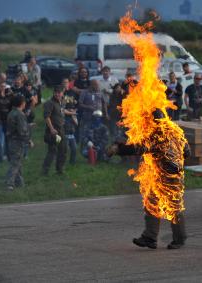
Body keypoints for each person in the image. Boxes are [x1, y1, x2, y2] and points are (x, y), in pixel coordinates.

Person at [107, 109, 190, 249]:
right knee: (151, 203)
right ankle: (150, 237)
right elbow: (187, 152)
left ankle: (179, 239)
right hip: (162, 174)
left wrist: (118, 149)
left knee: (174, 208)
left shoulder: (157, 135)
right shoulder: (176, 131)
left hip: (170, 176)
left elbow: (138, 148)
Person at [5, 95, 30, 190]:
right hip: (17, 142)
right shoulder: (20, 114)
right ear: (22, 103)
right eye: (24, 102)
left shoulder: (11, 113)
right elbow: (22, 130)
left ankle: (20, 183)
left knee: (17, 163)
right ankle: (9, 184)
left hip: (11, 140)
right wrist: (28, 140)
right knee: (15, 163)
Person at [42, 86, 66, 175]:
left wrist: (71, 112)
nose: (57, 94)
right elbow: (47, 117)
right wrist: (51, 128)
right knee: (52, 151)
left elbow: (62, 112)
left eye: (59, 92)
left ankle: (59, 170)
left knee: (62, 150)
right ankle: (45, 171)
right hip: (53, 131)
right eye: (55, 92)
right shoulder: (50, 103)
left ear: (62, 93)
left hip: (61, 130)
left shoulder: (61, 102)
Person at [79, 80, 107, 148]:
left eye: (98, 85)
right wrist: (88, 107)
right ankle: (84, 146)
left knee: (97, 131)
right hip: (87, 116)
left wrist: (106, 113)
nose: (98, 87)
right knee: (86, 131)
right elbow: (80, 104)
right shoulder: (84, 92)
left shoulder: (100, 92)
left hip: (98, 116)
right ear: (91, 85)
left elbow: (104, 103)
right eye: (96, 85)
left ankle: (97, 145)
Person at [62, 78, 79, 165]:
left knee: (74, 146)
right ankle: (62, 161)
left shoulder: (72, 92)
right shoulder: (60, 93)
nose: (65, 84)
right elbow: (61, 108)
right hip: (64, 116)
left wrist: (74, 111)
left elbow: (76, 102)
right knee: (64, 145)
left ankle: (72, 163)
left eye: (67, 82)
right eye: (64, 82)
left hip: (72, 114)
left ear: (69, 83)